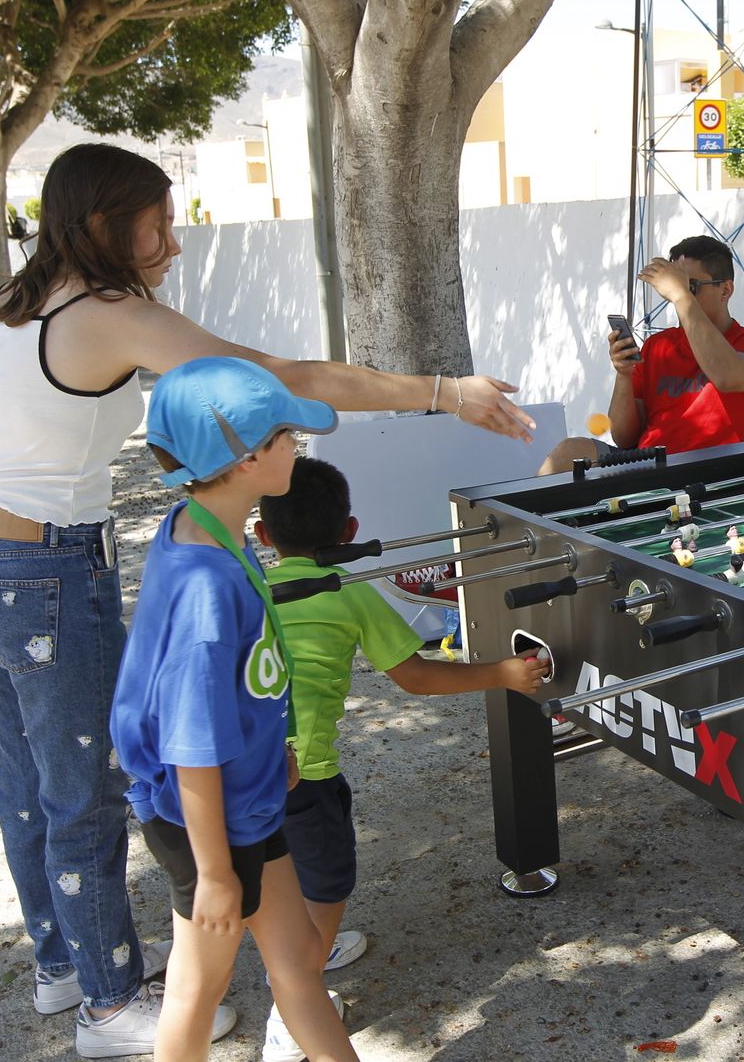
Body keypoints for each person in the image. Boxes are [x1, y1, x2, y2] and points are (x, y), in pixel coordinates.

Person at [0, 142, 533, 1056]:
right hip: (45, 567)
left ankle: (62, 962)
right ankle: (104, 1001)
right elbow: (280, 376)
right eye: (158, 223)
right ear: (104, 223)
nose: (171, 244)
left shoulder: (4, 307)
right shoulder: (107, 316)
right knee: (82, 792)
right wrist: (443, 391)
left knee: (27, 781)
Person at [251, 455, 548, 1061]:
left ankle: (295, 957)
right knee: (328, 883)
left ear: (262, 535)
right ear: (350, 530)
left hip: (240, 767)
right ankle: (294, 1001)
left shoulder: (247, 585)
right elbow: (415, 678)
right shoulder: (350, 593)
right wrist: (505, 674)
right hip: (303, 774)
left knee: (270, 871)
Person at [110, 356, 356, 1062]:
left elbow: (233, 687)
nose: (296, 448)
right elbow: (191, 741)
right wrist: (216, 873)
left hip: (242, 802)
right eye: (286, 436)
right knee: (198, 988)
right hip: (205, 824)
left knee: (299, 956)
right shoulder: (206, 591)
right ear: (248, 459)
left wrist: (265, 742)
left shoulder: (207, 520)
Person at [537, 234, 744, 474]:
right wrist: (624, 374)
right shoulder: (659, 345)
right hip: (648, 467)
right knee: (566, 454)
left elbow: (726, 376)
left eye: (689, 286)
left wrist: (681, 296)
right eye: (673, 286)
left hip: (709, 474)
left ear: (725, 290)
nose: (675, 297)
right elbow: (623, 437)